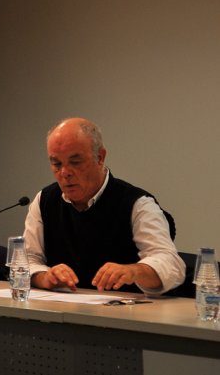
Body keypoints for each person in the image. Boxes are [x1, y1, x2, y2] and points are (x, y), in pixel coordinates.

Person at [23, 117, 185, 295]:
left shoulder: (137, 203)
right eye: (57, 164)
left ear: (100, 157)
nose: (65, 173)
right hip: (60, 310)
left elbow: (171, 264)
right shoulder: (45, 200)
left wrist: (133, 271)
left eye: (75, 162)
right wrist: (44, 276)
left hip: (125, 314)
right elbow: (27, 260)